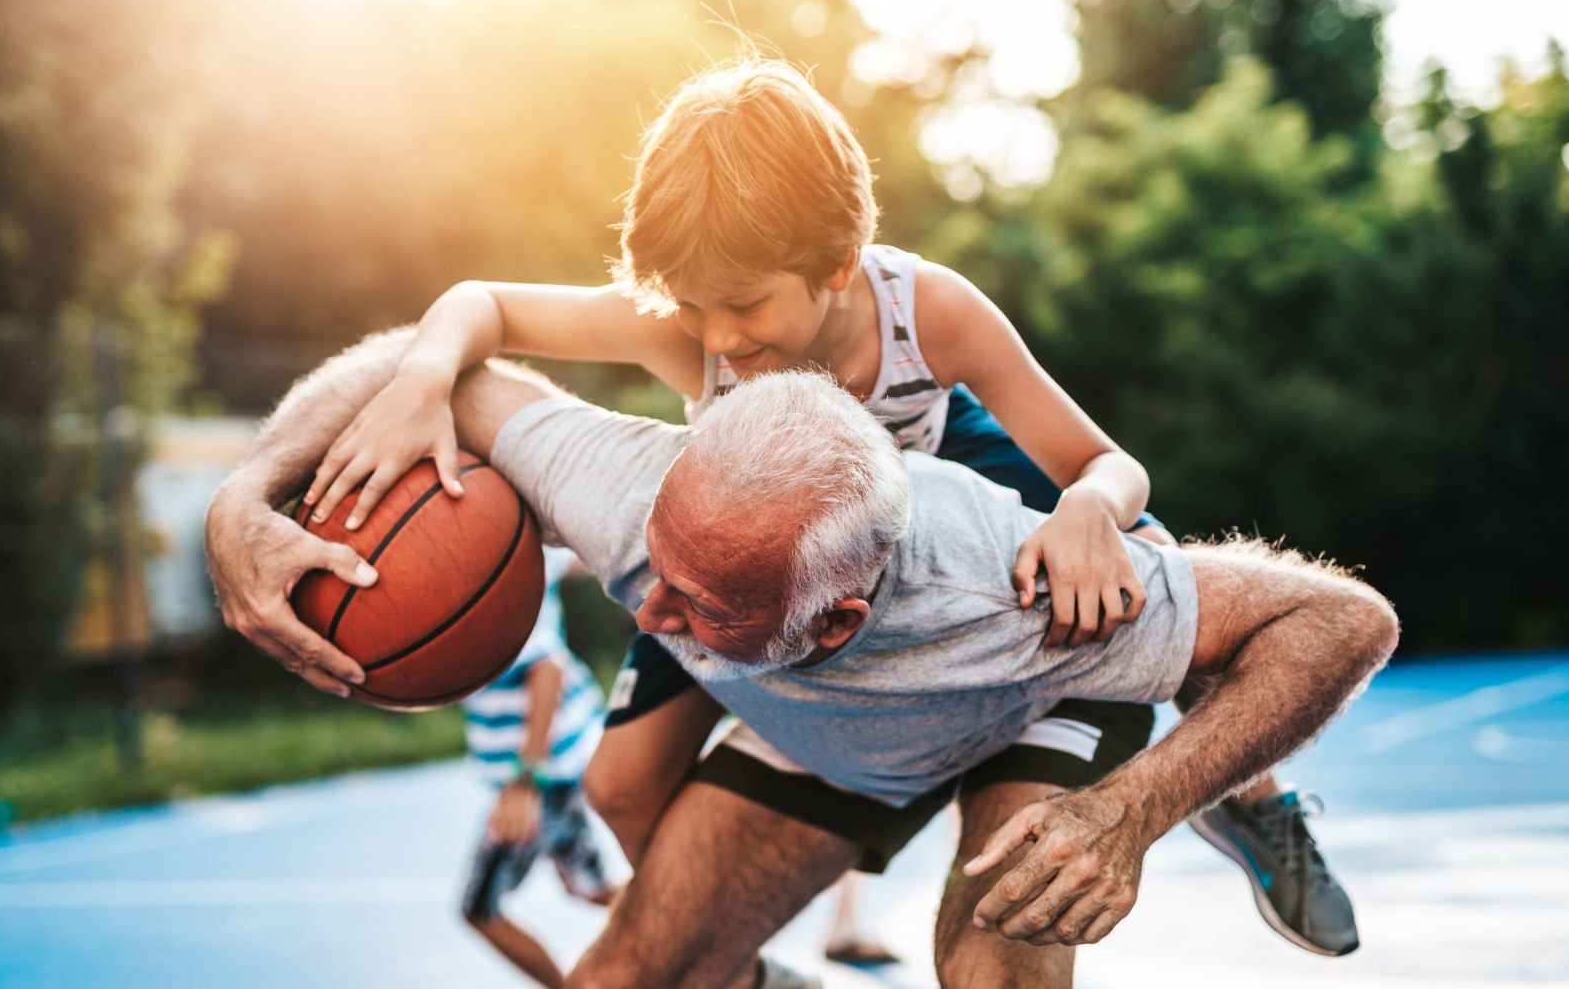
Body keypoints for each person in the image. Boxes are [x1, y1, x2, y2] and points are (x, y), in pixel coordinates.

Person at [296, 57, 1355, 955]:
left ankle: (1252, 800)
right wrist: (424, 378)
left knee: (1138, 564)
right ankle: (732, 957)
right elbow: (484, 303)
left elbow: (1106, 461)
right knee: (619, 784)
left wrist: (1087, 509)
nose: (714, 340)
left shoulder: (923, 309)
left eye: (745, 304)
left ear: (839, 263)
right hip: (764, 567)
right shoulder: (698, 322)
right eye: (693, 305)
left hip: (928, 519)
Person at [203, 332, 1400, 989]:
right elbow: (425, 361)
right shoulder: (623, 487)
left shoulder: (1011, 581)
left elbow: (1345, 623)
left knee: (992, 978)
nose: (652, 612)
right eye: (656, 566)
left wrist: (1134, 813)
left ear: (832, 619)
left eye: (703, 602)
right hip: (837, 739)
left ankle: (1248, 807)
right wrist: (242, 497)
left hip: (1034, 698)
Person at [457, 545, 615, 988]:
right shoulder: (524, 547)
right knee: (592, 889)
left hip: (537, 773)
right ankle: (698, 940)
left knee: (480, 909)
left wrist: (526, 780)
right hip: (556, 763)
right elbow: (583, 558)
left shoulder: (487, 568)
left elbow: (547, 667)